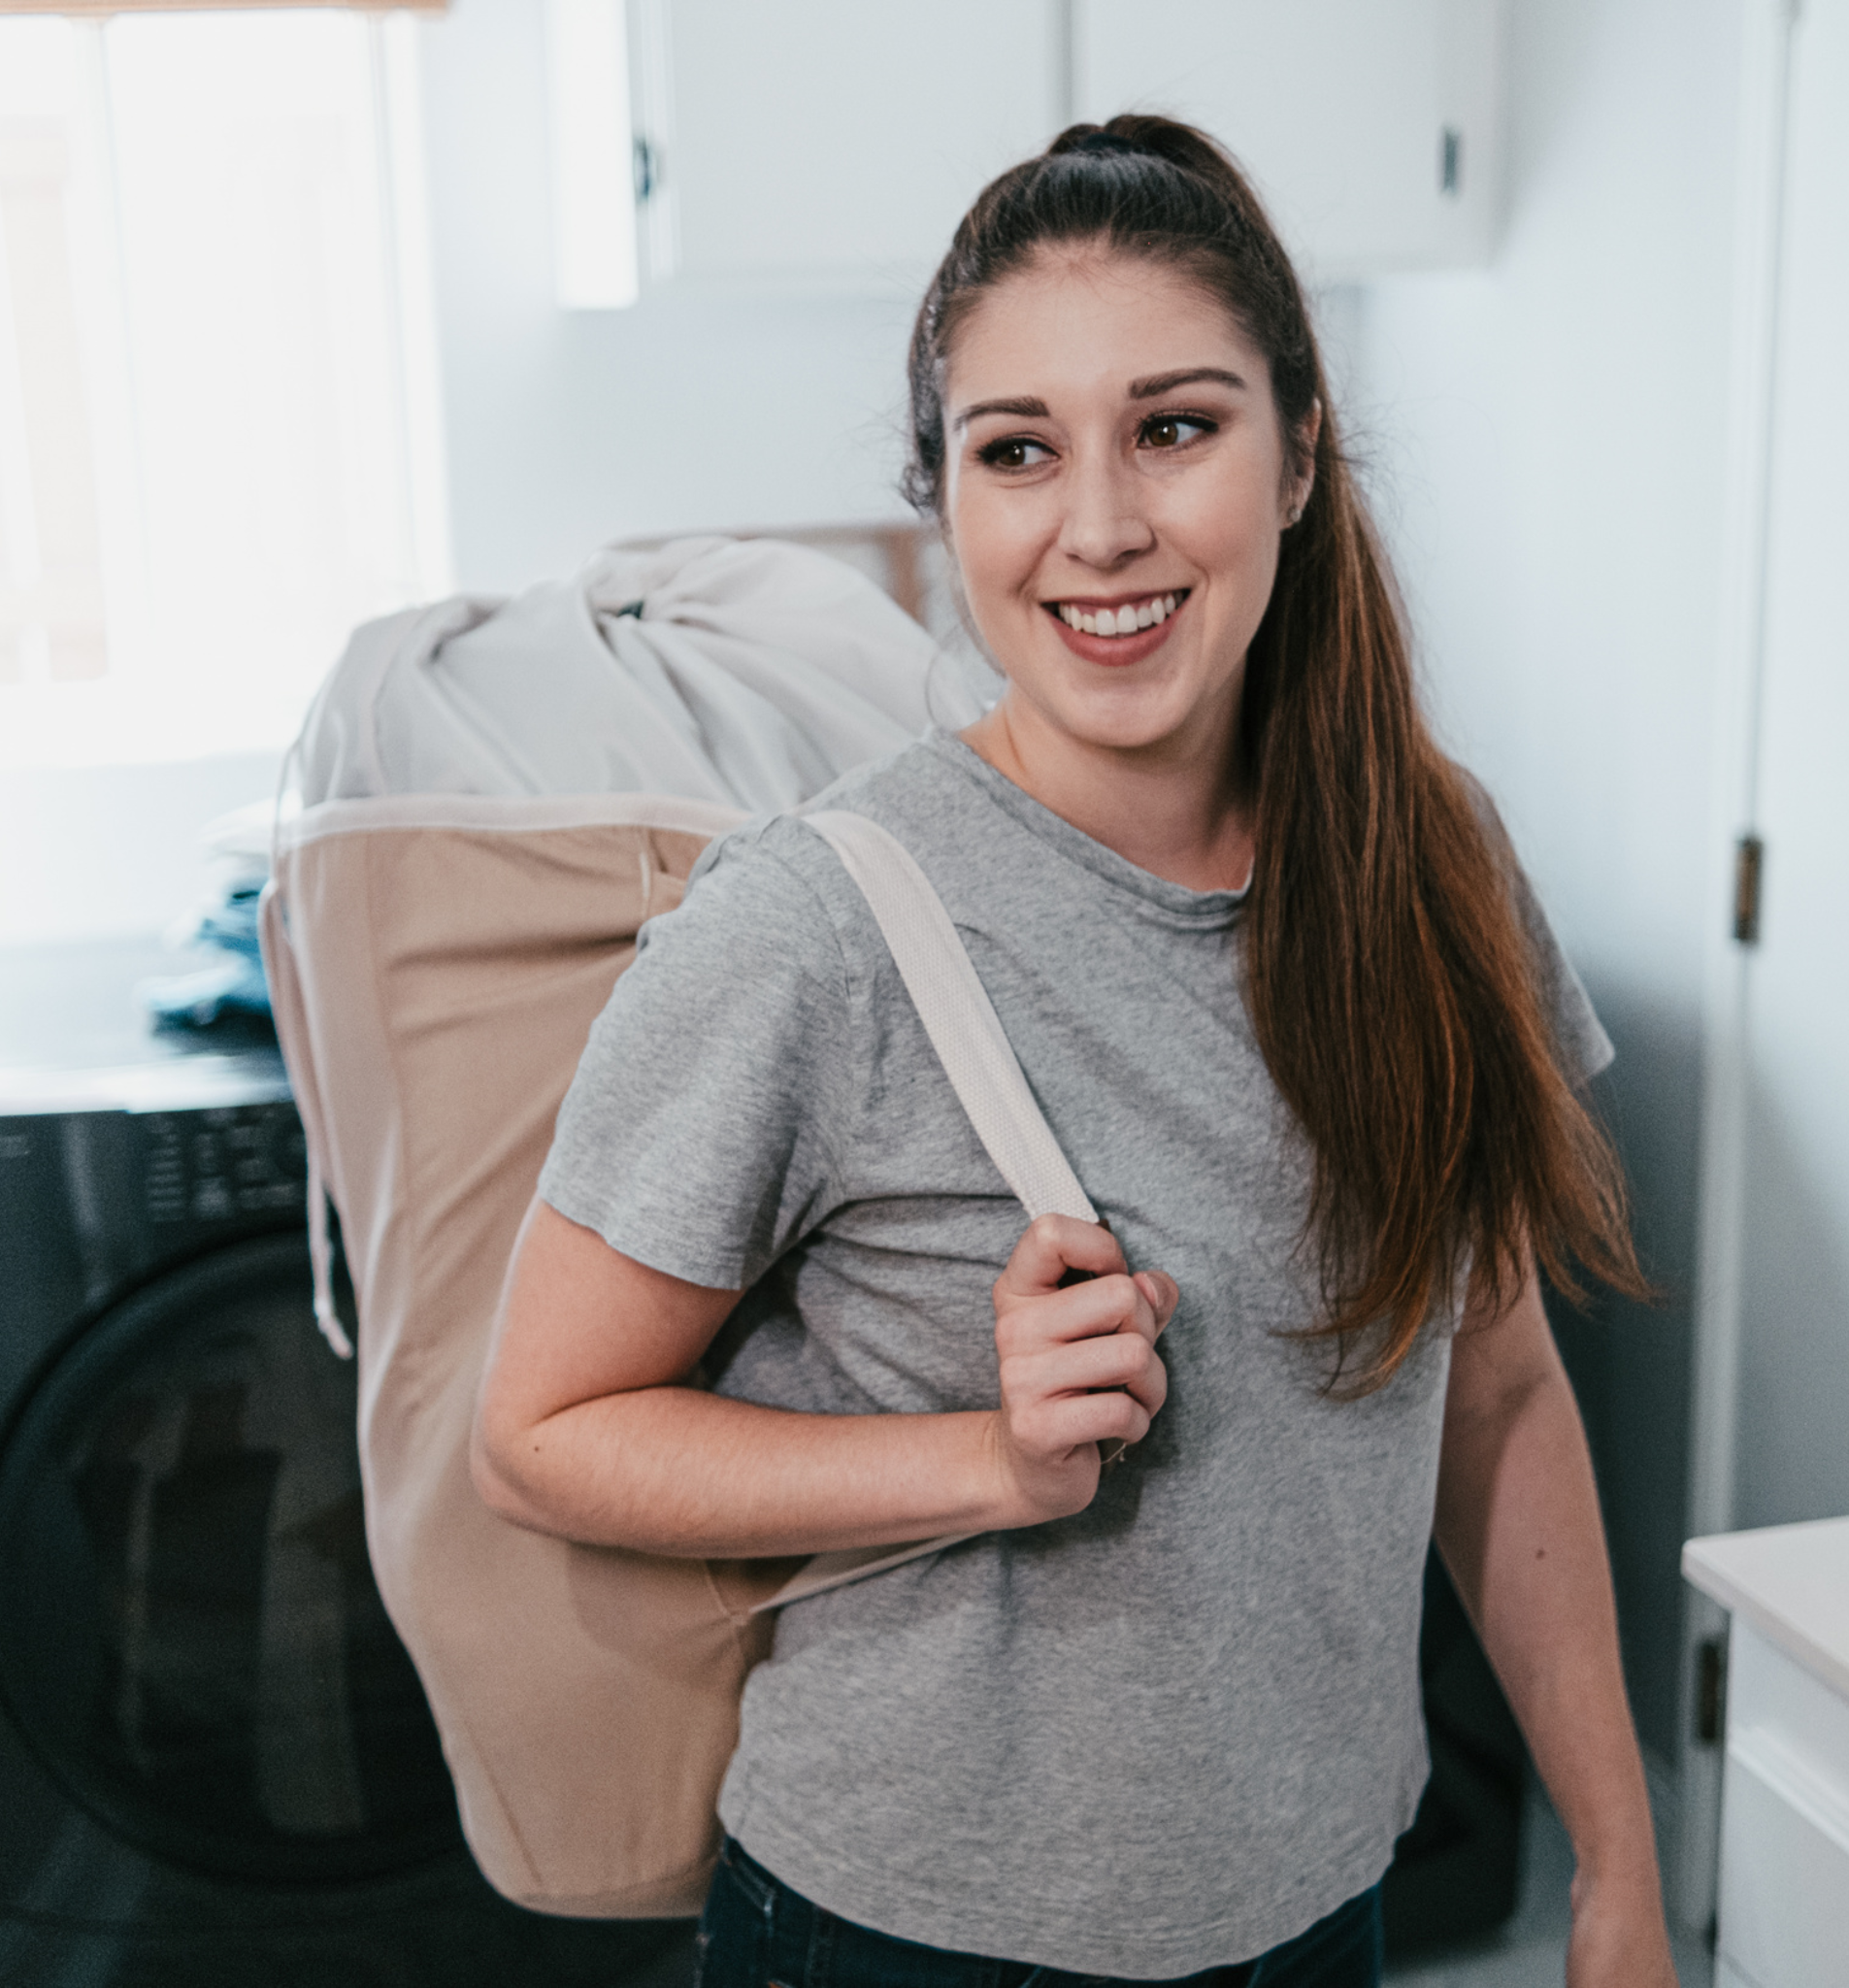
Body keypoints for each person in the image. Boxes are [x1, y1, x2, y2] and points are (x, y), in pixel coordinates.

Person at [473, 116, 1678, 1987]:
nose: (1097, 526)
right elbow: (542, 1435)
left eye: (1174, 428)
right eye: (1015, 452)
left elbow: (1500, 1396)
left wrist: (1616, 1869)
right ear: (942, 499)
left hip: (1316, 1907)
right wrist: (982, 1459)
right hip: (910, 1935)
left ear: (1295, 460)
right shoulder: (815, 927)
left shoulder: (1434, 867)